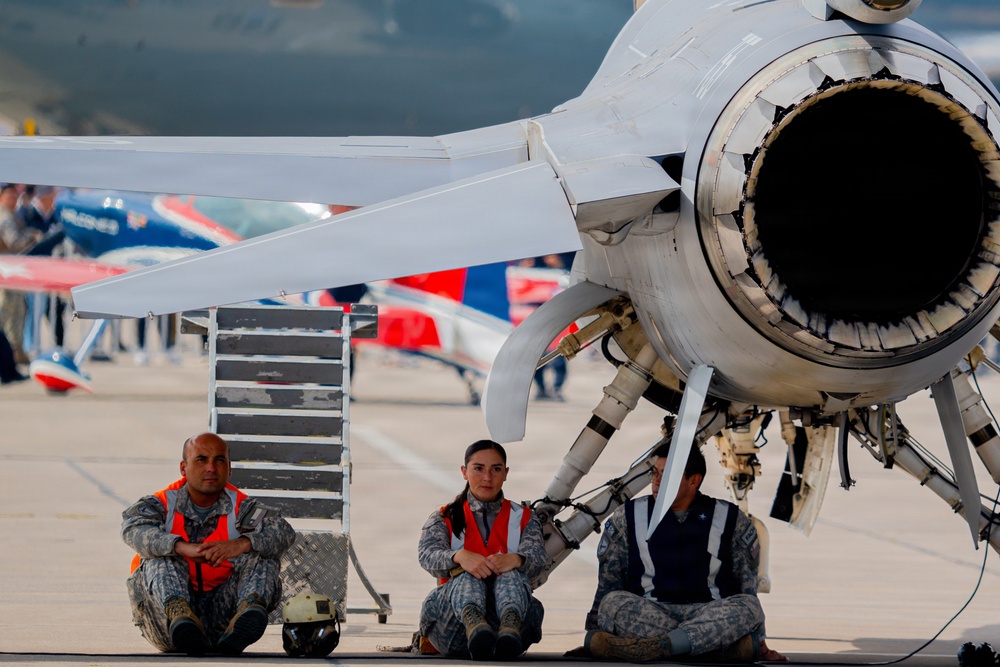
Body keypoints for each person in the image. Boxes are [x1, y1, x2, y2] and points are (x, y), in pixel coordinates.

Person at [583, 441, 785, 663]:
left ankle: (658, 647)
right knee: (612, 603)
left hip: (708, 612)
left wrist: (760, 640)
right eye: (655, 473)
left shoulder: (729, 518)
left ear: (694, 481)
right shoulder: (629, 516)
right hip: (651, 612)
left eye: (667, 475)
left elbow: (746, 582)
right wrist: (593, 633)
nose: (656, 482)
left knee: (749, 607)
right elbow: (609, 581)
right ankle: (709, 649)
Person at [121, 432, 296, 656]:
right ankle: (181, 616)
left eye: (219, 460)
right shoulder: (162, 503)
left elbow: (283, 531)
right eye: (201, 460)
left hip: (224, 620)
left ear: (229, 469)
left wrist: (242, 544)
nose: (211, 468)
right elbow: (132, 528)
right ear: (183, 468)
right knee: (158, 555)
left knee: (263, 555)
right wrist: (179, 546)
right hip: (166, 624)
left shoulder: (242, 506)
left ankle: (249, 613)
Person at [417, 439, 546, 660]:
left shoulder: (524, 518)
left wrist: (516, 560)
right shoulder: (444, 517)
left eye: (496, 469)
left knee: (510, 574)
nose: (487, 478)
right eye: (478, 468)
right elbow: (427, 556)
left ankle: (509, 624)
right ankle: (475, 624)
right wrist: (458, 557)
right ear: (464, 472)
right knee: (469, 574)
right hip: (453, 628)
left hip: (511, 639)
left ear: (506, 473)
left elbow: (539, 560)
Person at [0, 183, 40, 365]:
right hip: (6, 271)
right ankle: (10, 355)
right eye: (9, 196)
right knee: (8, 313)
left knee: (18, 311)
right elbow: (14, 241)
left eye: (14, 196)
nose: (13, 199)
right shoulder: (5, 216)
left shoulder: (11, 215)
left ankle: (15, 352)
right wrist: (31, 236)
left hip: (12, 270)